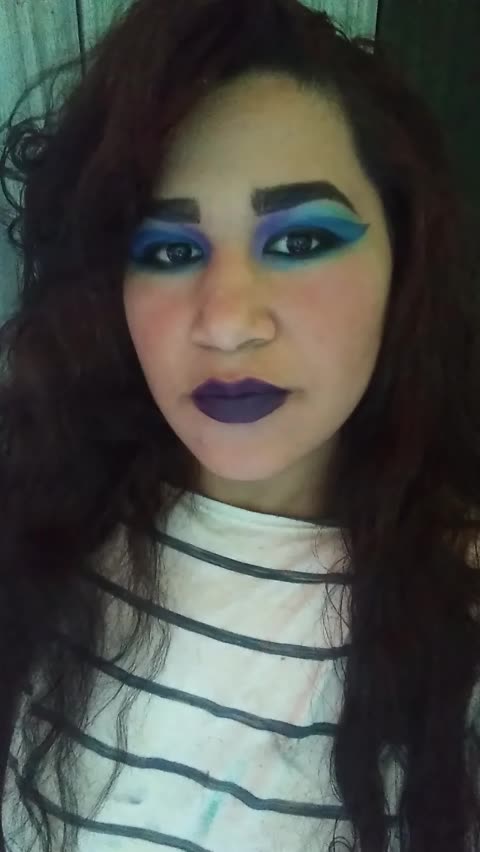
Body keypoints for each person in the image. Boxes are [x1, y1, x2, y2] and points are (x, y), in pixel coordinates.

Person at [0, 0, 479, 850]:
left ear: (404, 261)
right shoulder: (34, 523)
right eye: (169, 251)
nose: (225, 324)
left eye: (300, 243)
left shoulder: (456, 619)